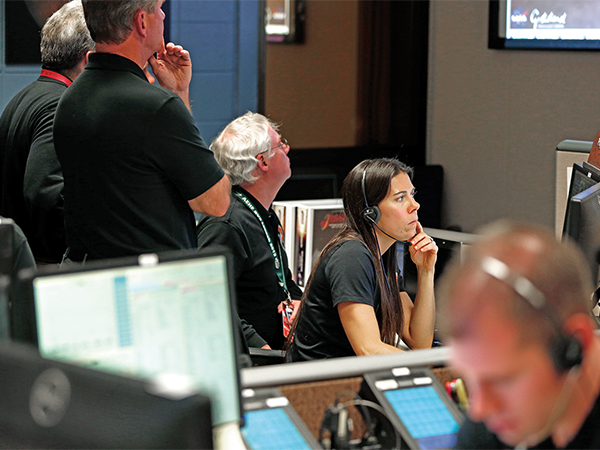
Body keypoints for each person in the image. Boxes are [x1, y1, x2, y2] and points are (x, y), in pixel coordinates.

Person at [53, 0, 230, 261]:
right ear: (142, 22)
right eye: (158, 8)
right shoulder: (156, 107)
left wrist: (177, 92)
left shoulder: (71, 99)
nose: (163, 14)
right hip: (147, 284)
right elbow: (215, 202)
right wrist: (176, 97)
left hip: (89, 272)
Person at [437, 220, 600, 449]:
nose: (480, 409)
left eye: (503, 380)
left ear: (574, 348)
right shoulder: (492, 426)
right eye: (470, 380)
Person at [288, 158, 437, 361]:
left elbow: (419, 342)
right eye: (400, 198)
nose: (415, 205)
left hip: (349, 381)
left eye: (412, 194)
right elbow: (369, 350)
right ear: (370, 213)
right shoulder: (351, 256)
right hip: (320, 387)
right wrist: (441, 364)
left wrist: (426, 271)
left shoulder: (384, 257)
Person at [197, 112, 303, 350]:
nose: (287, 148)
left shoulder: (261, 214)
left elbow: (280, 278)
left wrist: (298, 300)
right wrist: (259, 348)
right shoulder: (225, 224)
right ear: (262, 162)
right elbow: (209, 300)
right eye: (280, 144)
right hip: (251, 361)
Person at [0, 0, 95, 265]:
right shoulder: (59, 104)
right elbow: (46, 193)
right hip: (43, 267)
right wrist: (73, 259)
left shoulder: (26, 96)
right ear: (89, 59)